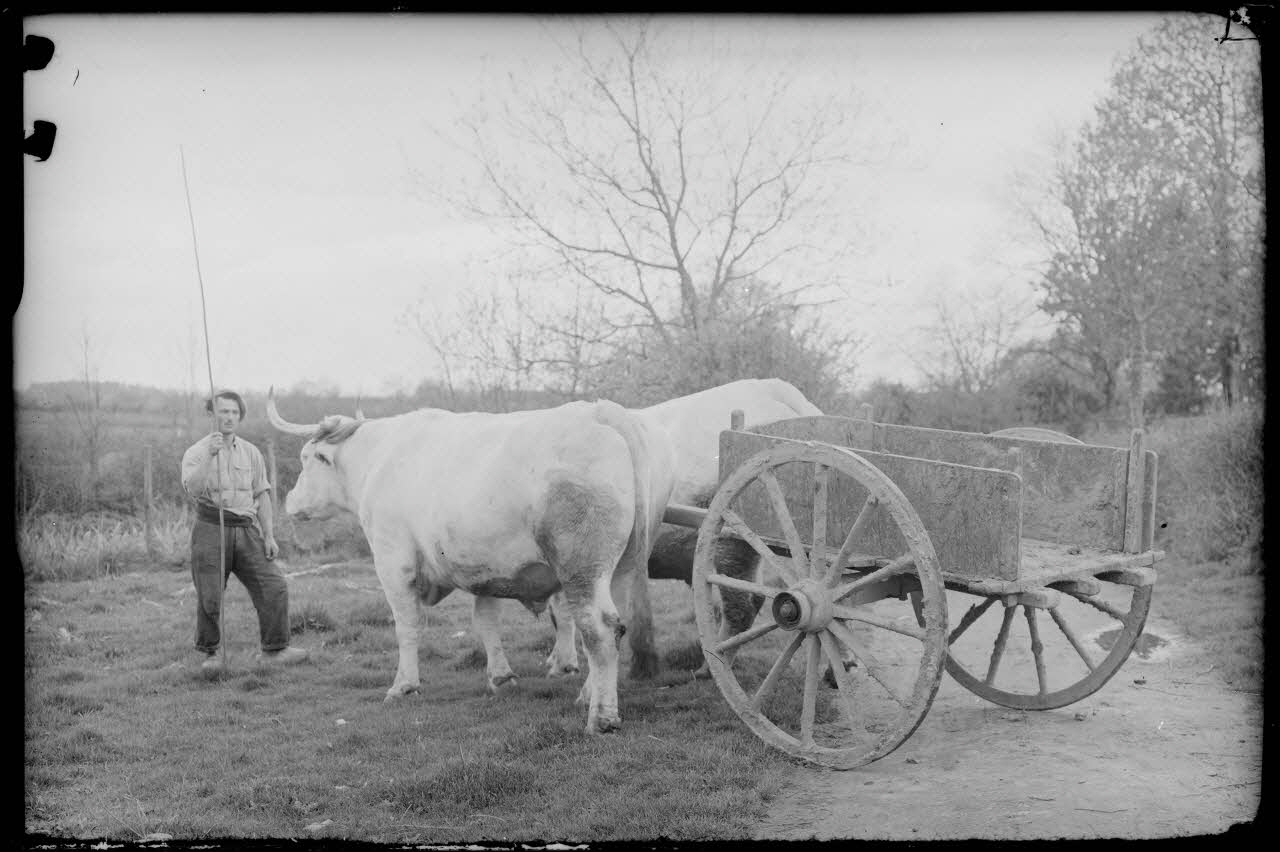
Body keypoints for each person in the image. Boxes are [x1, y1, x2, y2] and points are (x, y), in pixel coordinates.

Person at [181, 389, 309, 675]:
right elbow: (193, 489)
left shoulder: (251, 452)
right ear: (212, 414)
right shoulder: (196, 452)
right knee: (210, 595)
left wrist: (269, 534)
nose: (229, 417)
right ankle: (211, 654)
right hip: (211, 528)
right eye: (223, 411)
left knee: (274, 585)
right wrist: (209, 456)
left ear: (240, 417)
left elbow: (262, 495)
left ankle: (275, 650)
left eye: (234, 412)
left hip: (246, 528)